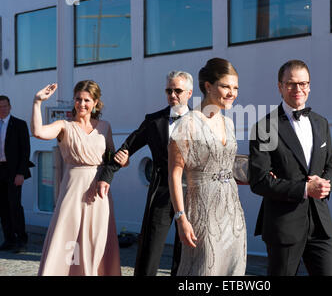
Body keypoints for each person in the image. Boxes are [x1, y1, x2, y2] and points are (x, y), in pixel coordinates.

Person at [96, 71, 193, 276]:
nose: (173, 95)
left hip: (192, 194)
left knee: (185, 252)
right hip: (161, 193)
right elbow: (127, 147)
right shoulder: (153, 120)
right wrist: (107, 175)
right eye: (169, 90)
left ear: (189, 93)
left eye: (178, 90)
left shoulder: (202, 121)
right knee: (150, 248)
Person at [248, 59, 332, 276]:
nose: (298, 89)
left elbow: (330, 166)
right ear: (280, 86)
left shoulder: (321, 122)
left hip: (320, 224)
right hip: (284, 225)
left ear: (309, 86)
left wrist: (326, 184)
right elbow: (260, 181)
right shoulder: (265, 127)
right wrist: (306, 189)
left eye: (303, 83)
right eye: (291, 84)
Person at [32, 81, 121, 276]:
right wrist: (37, 102)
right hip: (72, 190)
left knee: (97, 238)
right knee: (68, 236)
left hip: (99, 191)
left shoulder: (105, 127)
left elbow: (111, 159)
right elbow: (38, 132)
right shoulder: (64, 126)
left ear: (96, 102)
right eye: (78, 99)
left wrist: (125, 159)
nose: (82, 104)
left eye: (87, 100)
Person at [168, 58, 246, 275]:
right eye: (225, 86)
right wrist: (181, 218)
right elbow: (174, 175)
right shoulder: (187, 123)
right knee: (204, 270)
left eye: (235, 87)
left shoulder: (228, 123)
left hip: (232, 212)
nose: (232, 93)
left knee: (234, 270)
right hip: (202, 211)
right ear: (208, 86)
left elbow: (226, 162)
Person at [0, 95, 33, 253]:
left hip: (13, 171)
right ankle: (9, 239)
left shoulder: (19, 125)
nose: (2, 109)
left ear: (10, 107)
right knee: (2, 207)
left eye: (5, 106)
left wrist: (21, 173)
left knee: (14, 205)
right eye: (0, 107)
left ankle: (21, 239)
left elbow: (25, 151)